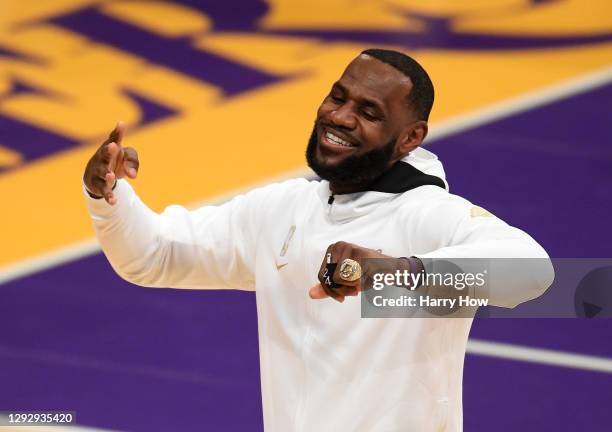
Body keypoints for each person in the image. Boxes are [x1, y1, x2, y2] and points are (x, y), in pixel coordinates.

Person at [83, 49, 553, 431]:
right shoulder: (283, 209)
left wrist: (396, 270)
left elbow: (533, 273)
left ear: (411, 137)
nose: (341, 117)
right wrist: (108, 198)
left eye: (369, 112)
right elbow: (155, 256)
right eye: (338, 98)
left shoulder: (427, 215)